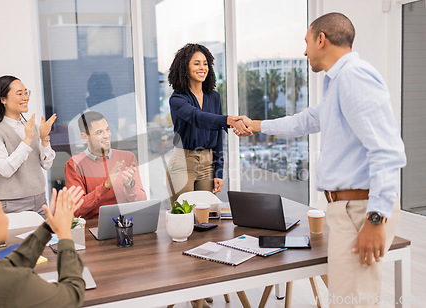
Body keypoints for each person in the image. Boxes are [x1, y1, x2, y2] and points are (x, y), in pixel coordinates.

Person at [237, 13, 406, 307]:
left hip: (361, 209)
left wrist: (376, 219)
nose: (305, 52)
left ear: (321, 39)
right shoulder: (336, 83)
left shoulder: (354, 76)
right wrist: (256, 125)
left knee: (355, 301)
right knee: (345, 299)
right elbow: (303, 122)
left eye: (306, 42)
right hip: (346, 209)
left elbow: (387, 150)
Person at [166, 43, 250, 203]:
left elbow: (218, 136)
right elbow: (197, 117)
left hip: (207, 162)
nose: (202, 67)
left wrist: (218, 172)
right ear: (185, 67)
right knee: (185, 216)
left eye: (205, 63)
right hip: (183, 162)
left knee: (208, 216)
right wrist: (227, 120)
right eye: (196, 63)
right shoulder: (177, 99)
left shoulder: (214, 97)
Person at [0, 75, 57, 217]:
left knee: (47, 239)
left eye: (26, 92)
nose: (25, 97)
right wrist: (27, 140)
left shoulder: (31, 127)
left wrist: (44, 138)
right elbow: (5, 170)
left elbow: (46, 165)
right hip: (11, 205)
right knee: (17, 240)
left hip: (40, 200)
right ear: (3, 99)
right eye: (19, 94)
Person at [65, 111, 146, 220]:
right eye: (99, 132)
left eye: (107, 129)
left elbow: (142, 203)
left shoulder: (127, 157)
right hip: (94, 227)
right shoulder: (74, 164)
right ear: (85, 137)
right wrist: (105, 186)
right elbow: (76, 209)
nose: (106, 135)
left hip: (126, 223)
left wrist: (130, 186)